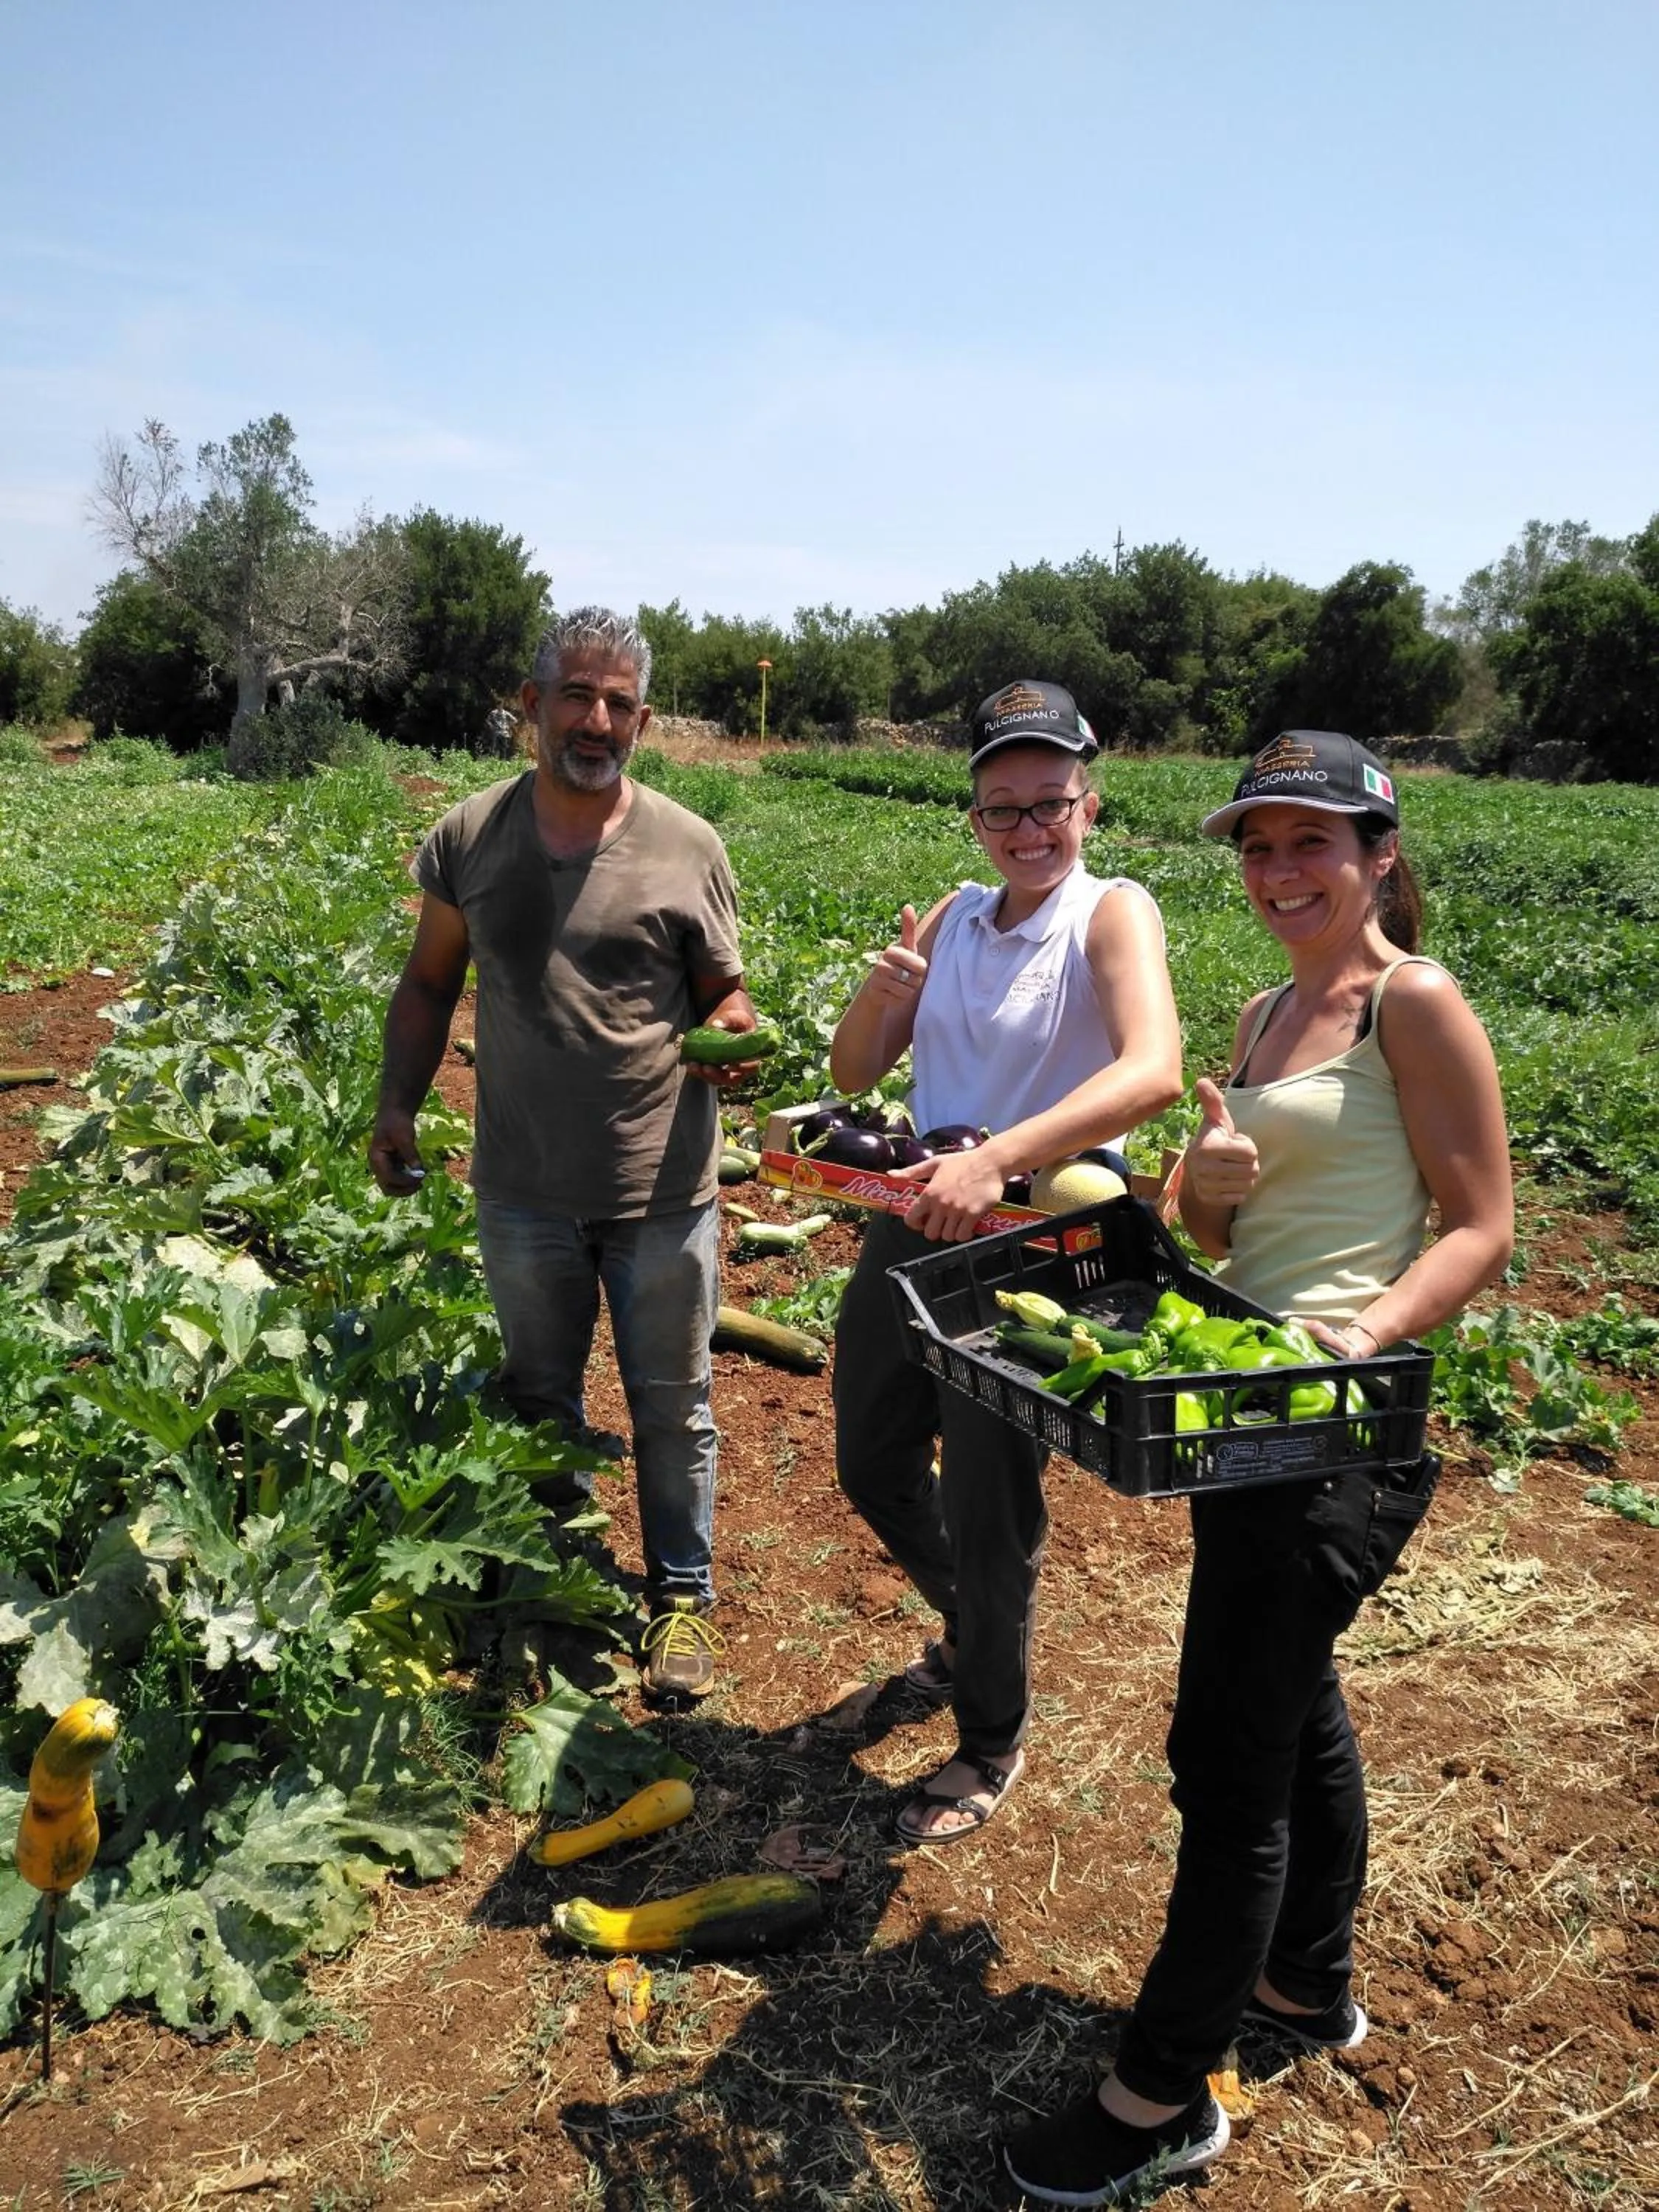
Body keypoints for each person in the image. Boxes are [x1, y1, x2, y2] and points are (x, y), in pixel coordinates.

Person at [1004, 729, 1514, 2204]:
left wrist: (1370, 1335)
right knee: (1292, 1712)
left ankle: (1164, 2090)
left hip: (1334, 1430)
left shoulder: (1409, 1003)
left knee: (1223, 1760)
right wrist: (1204, 1194)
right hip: (1238, 1407)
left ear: (1378, 856)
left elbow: (1482, 1222)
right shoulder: (1263, 1011)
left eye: (1312, 843)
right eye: (1258, 845)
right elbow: (1224, 1234)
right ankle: (1305, 1983)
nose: (1280, 871)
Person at [367, 606, 762, 1705]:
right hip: (521, 1187)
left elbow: (721, 992)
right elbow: (429, 981)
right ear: (530, 707)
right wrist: (397, 1104)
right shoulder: (467, 837)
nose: (598, 720)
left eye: (619, 703)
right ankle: (548, 1574)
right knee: (538, 1396)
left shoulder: (689, 845)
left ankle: (679, 1597)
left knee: (670, 1406)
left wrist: (734, 1027)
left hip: (662, 1187)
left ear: (640, 718)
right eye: (577, 696)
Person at [829, 679, 1184, 1845]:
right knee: (871, 1457)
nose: (1029, 831)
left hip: (1032, 1237)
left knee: (990, 1507)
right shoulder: (957, 918)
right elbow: (851, 1076)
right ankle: (974, 1631)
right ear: (973, 818)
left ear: (1090, 804)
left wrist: (1003, 1162)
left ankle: (990, 1733)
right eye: (1002, 809)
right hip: (918, 1215)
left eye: (1050, 805)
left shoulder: (1110, 913)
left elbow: (1150, 1073)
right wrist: (881, 997)